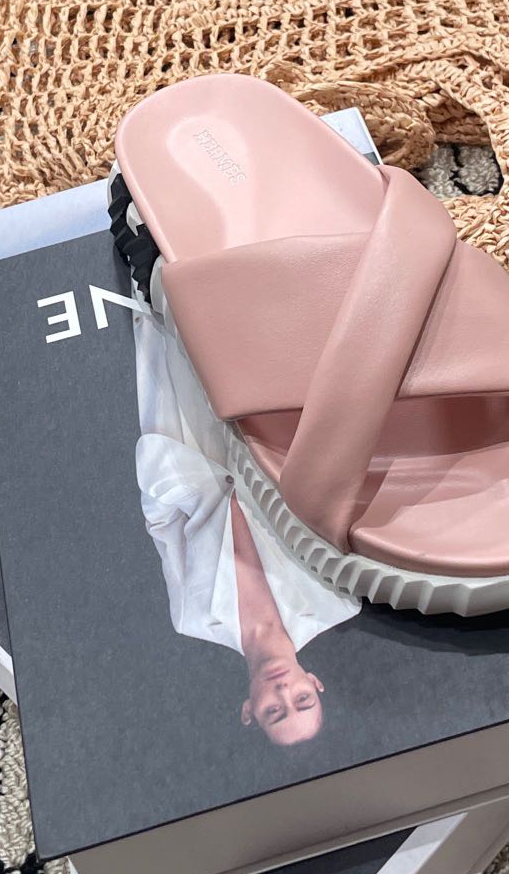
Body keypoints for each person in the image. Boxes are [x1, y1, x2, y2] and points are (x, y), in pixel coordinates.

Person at [131, 305, 358, 747]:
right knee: (221, 314)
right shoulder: (337, 600)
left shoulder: (193, 617)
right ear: (315, 683)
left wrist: (169, 471)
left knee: (158, 312)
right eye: (302, 700)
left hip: (181, 439)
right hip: (262, 427)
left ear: (249, 710)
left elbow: (161, 524)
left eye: (275, 711)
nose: (283, 692)